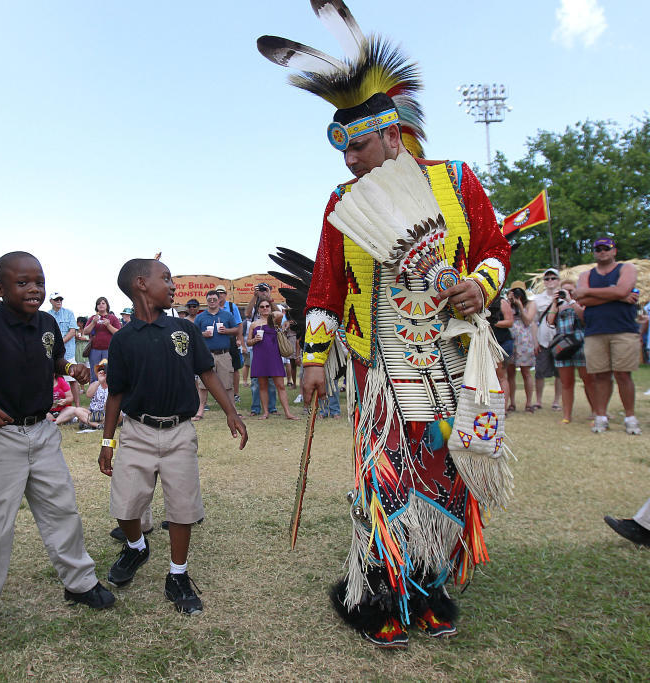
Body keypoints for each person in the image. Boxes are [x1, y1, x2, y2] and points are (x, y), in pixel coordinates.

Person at [262, 31, 511, 646]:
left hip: (449, 363)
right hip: (381, 370)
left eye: (361, 145)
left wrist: (481, 284)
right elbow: (323, 289)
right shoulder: (342, 202)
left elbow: (495, 248)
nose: (350, 160)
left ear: (393, 135)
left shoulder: (455, 180)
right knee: (385, 478)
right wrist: (316, 359)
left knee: (445, 471)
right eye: (342, 148)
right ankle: (379, 587)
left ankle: (429, 585)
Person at [0, 251, 114, 647]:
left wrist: (69, 368)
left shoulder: (47, 323)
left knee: (62, 509)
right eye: (22, 283)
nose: (34, 289)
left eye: (38, 281)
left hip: (42, 431)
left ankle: (79, 583)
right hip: (1, 434)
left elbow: (54, 360)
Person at [99, 258, 247, 615]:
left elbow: (207, 373)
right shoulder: (122, 340)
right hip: (136, 432)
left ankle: (177, 574)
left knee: (182, 507)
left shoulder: (184, 329)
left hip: (179, 431)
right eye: (164, 278)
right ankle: (136, 547)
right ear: (140, 285)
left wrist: (231, 411)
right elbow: (116, 394)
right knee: (125, 504)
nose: (172, 285)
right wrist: (107, 442)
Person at [575, 237, 641, 434]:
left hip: (624, 330)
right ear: (594, 252)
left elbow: (622, 289)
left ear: (614, 251)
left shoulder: (626, 269)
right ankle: (601, 417)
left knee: (623, 374)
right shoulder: (586, 274)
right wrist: (616, 295)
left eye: (606, 248)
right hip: (595, 330)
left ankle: (630, 417)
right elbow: (580, 297)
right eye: (598, 248)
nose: (602, 251)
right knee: (600, 376)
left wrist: (591, 293)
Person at [544, 281, 595, 424]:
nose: (566, 293)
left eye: (570, 290)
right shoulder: (558, 306)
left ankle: (596, 412)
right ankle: (567, 415)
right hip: (562, 345)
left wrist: (570, 300)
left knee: (589, 381)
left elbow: (585, 318)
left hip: (581, 343)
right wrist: (554, 302)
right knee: (566, 383)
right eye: (564, 291)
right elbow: (550, 321)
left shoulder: (581, 303)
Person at [247, 297, 298, 420]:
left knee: (280, 385)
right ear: (258, 309)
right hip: (260, 356)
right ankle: (265, 412)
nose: (265, 308)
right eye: (262, 307)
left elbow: (280, 313)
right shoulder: (254, 324)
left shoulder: (275, 321)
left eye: (267, 306)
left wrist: (270, 300)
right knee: (262, 385)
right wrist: (254, 340)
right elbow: (248, 342)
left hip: (274, 356)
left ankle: (288, 413)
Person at [192, 291, 239, 417]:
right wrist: (203, 334)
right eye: (209, 300)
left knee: (228, 384)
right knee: (203, 385)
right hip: (206, 355)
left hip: (224, 354)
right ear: (206, 301)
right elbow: (194, 334)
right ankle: (200, 410)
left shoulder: (227, 315)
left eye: (214, 299)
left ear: (219, 300)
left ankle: (232, 410)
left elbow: (236, 330)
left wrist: (226, 330)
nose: (212, 302)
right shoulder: (200, 317)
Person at [532, 268, 562, 411]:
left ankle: (557, 401)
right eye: (547, 278)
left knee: (560, 373)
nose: (550, 281)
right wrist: (535, 341)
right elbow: (533, 322)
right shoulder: (537, 300)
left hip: (560, 339)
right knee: (540, 372)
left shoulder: (563, 297)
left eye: (553, 278)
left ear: (558, 280)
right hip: (543, 339)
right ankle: (538, 400)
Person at [244, 284, 277, 415]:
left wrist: (269, 297)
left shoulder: (272, 306)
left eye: (265, 290)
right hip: (256, 348)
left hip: (271, 348)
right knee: (256, 380)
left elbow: (276, 314)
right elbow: (247, 313)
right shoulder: (255, 307)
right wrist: (255, 296)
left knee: (271, 379)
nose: (262, 292)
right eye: (261, 290)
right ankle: (256, 408)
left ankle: (272, 407)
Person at [48, 292, 82, 408]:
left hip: (68, 353)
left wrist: (59, 343)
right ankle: (49, 408)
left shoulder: (69, 313)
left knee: (73, 380)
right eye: (56, 299)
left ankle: (77, 408)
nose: (59, 301)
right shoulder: (47, 315)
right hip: (52, 355)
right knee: (50, 381)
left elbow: (73, 331)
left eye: (60, 299)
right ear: (51, 301)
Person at [54, 359, 109, 429]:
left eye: (104, 371)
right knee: (78, 410)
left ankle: (90, 423)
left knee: (114, 414)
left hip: (106, 415)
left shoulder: (113, 385)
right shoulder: (96, 384)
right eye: (99, 371)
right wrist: (99, 381)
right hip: (93, 414)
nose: (101, 373)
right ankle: (98, 425)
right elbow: (88, 395)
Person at [212, 285, 245, 402]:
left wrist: (239, 339)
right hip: (217, 341)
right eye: (217, 293)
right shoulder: (212, 307)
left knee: (235, 368)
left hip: (231, 339)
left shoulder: (231, 306)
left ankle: (235, 394)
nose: (220, 295)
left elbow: (239, 324)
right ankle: (221, 395)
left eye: (222, 292)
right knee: (217, 368)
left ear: (225, 294)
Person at [506, 285, 536, 412]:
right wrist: (509, 302)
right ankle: (512, 402)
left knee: (526, 372)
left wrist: (520, 305)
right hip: (510, 339)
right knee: (510, 372)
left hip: (524, 340)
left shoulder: (530, 304)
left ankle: (529, 403)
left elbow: (528, 321)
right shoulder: (507, 304)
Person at [488, 292, 514, 412]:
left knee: (501, 377)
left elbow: (509, 322)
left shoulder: (502, 302)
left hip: (502, 343)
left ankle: (502, 409)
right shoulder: (482, 301)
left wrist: (491, 324)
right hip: (488, 343)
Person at [82, 297, 121, 374]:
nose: (101, 305)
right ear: (96, 306)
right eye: (98, 303)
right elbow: (85, 332)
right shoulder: (92, 318)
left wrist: (108, 325)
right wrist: (93, 322)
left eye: (103, 303)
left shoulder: (113, 318)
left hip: (109, 350)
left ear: (107, 305)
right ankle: (95, 386)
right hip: (94, 350)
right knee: (95, 374)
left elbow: (118, 333)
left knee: (108, 373)